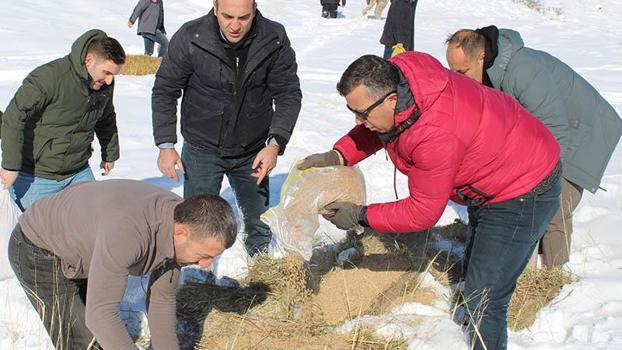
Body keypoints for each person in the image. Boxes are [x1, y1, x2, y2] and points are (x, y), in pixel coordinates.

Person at [299, 53, 562, 350]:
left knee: (485, 295)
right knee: (476, 258)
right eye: (352, 111)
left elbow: (422, 211)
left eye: (362, 113)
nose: (359, 121)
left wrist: (360, 215)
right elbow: (385, 127)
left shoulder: (434, 134)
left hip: (524, 186)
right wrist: (341, 154)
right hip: (497, 162)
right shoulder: (406, 79)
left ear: (391, 99)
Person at [445, 26, 622, 268]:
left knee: (553, 204)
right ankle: (523, 264)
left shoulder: (522, 70)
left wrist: (540, 180)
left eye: (461, 71)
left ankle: (555, 272)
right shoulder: (485, 75)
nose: (457, 78)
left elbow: (555, 127)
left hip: (582, 130)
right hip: (549, 131)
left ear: (481, 57)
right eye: (452, 71)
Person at [8, 179, 236, 350]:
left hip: (87, 245)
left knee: (104, 332)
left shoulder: (180, 219)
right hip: (39, 251)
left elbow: (161, 299)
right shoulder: (129, 231)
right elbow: (100, 315)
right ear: (181, 233)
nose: (206, 265)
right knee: (82, 340)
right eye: (204, 254)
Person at [152, 0, 302, 257]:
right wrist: (166, 144)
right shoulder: (191, 37)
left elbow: (288, 93)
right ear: (215, 8)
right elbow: (165, 89)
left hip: (252, 149)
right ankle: (195, 274)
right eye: (228, 16)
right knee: (196, 222)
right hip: (202, 149)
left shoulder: (273, 37)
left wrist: (275, 144)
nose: (235, 26)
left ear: (254, 9)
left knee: (259, 219)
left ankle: (260, 264)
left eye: (243, 17)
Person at [0, 29, 124, 211]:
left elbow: (106, 117)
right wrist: (10, 165)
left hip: (78, 170)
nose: (109, 80)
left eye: (114, 75)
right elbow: (14, 116)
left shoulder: (104, 84)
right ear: (88, 60)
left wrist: (110, 153)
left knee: (91, 222)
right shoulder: (49, 77)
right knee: (40, 235)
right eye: (106, 72)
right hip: (38, 175)